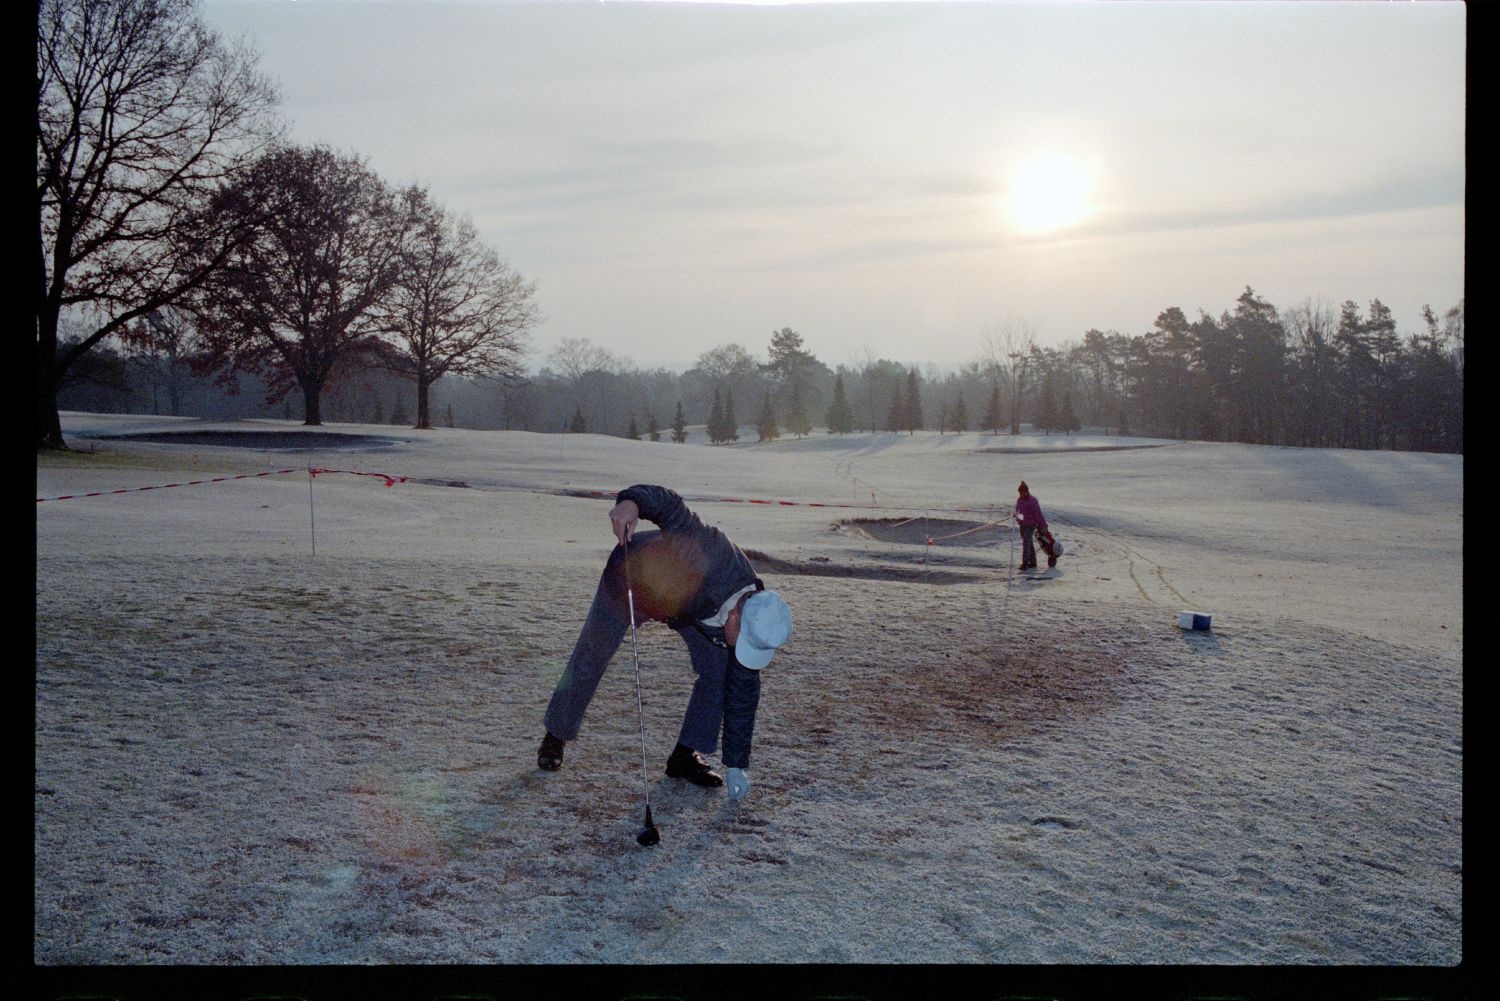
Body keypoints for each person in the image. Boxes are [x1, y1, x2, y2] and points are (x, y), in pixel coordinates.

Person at [537, 484, 792, 803]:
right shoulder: (710, 553)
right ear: (736, 618)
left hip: (686, 608)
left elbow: (743, 692)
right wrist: (632, 502)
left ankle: (684, 756)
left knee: (721, 672)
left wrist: (736, 766)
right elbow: (670, 506)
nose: (743, 653)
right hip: (632, 577)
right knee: (591, 657)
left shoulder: (753, 617)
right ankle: (556, 735)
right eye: (744, 644)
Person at [1014, 480, 1055, 571]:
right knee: (1029, 543)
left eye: (1022, 492)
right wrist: (1017, 517)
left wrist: (1043, 526)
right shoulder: (1019, 500)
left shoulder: (1032, 500)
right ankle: (1033, 562)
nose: (1021, 494)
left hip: (1031, 525)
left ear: (1026, 491)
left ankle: (1025, 563)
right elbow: (1018, 511)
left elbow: (1038, 514)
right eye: (1020, 493)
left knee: (1026, 542)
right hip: (1023, 524)